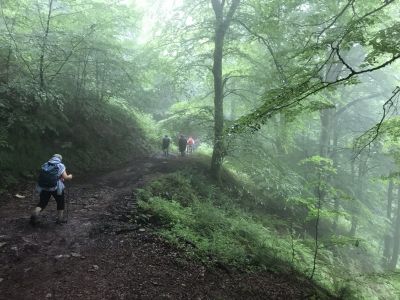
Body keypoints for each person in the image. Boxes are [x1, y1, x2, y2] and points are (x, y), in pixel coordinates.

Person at [30, 154, 73, 225]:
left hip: (44, 187)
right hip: (56, 188)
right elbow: (65, 177)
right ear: (60, 159)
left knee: (42, 203)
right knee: (60, 202)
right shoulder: (60, 165)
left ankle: (35, 214)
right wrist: (70, 176)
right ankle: (60, 220)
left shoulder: (45, 164)